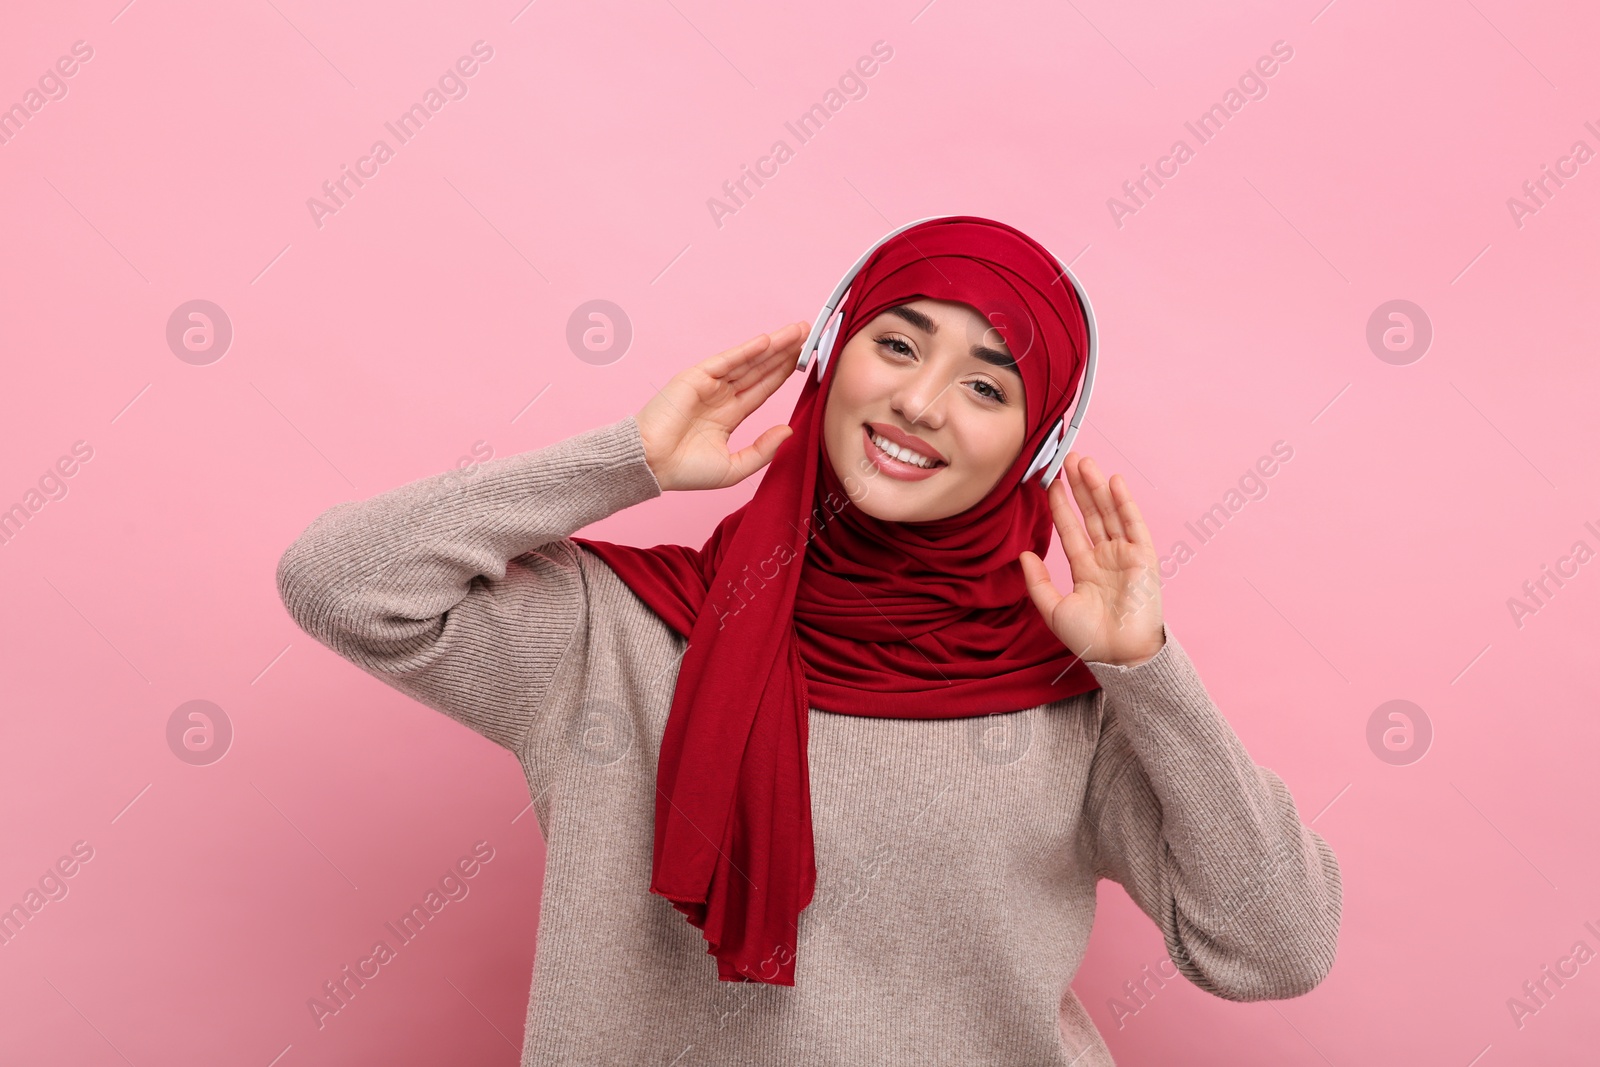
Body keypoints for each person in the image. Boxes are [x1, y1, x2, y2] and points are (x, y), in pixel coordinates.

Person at [275, 216, 1342, 1066]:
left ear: (1038, 442)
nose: (919, 402)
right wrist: (626, 458)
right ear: (831, 359)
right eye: (896, 343)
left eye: (986, 384)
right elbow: (339, 583)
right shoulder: (617, 636)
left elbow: (1272, 945)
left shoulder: (1072, 695)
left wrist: (1147, 674)